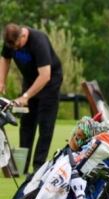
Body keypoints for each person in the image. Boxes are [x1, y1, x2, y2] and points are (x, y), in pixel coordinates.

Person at [0, 24, 63, 174]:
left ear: (22, 36)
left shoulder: (38, 41)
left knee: (45, 125)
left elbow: (45, 75)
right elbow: (5, 59)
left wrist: (26, 96)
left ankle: (38, 167)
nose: (15, 49)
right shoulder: (11, 41)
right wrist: (2, 81)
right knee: (26, 124)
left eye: (17, 46)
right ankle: (20, 166)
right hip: (29, 81)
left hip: (50, 83)